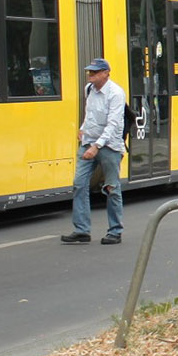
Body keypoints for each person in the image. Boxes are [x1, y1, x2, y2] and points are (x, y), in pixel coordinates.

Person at [61, 58, 126, 245]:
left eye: (95, 72)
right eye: (90, 72)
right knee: (79, 184)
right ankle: (82, 230)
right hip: (88, 142)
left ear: (106, 73)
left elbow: (113, 124)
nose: (91, 75)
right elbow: (90, 114)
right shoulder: (89, 89)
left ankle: (115, 231)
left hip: (109, 146)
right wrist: (83, 129)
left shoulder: (115, 93)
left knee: (111, 188)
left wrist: (96, 146)